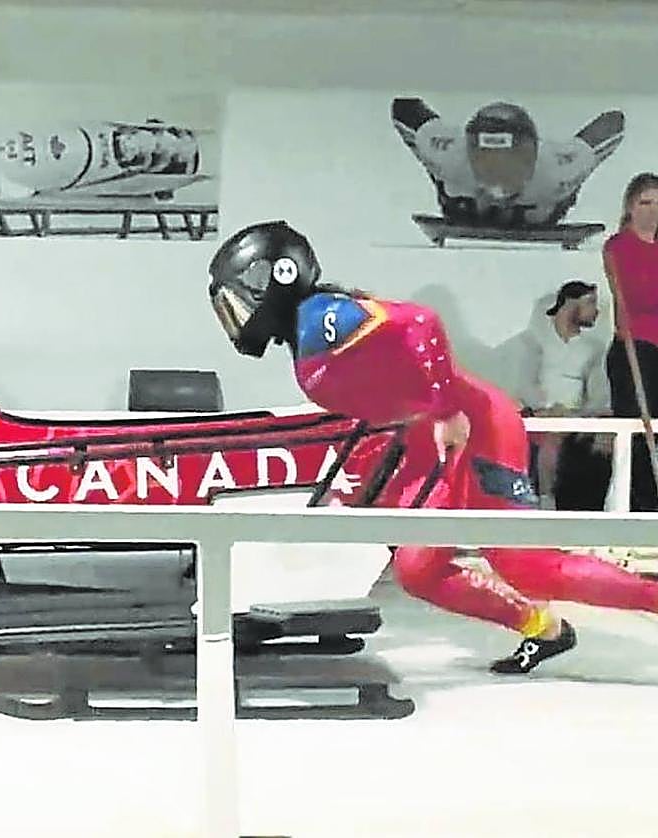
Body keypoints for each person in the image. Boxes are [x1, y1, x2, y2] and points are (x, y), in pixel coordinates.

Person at [207, 220, 658, 674]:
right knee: (419, 571)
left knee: (528, 566)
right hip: (434, 439)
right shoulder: (310, 333)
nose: (239, 312)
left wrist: (444, 410)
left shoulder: (327, 315)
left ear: (281, 274)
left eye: (245, 292)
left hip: (474, 426)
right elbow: (380, 396)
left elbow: (420, 322)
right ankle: (545, 629)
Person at [517, 280, 612, 510]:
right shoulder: (534, 340)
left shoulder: (594, 348)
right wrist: (544, 409)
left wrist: (575, 415)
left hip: (576, 417)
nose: (596, 311)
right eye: (590, 303)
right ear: (570, 304)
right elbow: (524, 383)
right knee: (549, 437)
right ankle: (545, 500)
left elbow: (599, 393)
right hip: (540, 415)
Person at [603, 172, 658, 512]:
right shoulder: (618, 246)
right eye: (645, 202)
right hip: (633, 349)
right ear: (630, 206)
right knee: (635, 432)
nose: (653, 210)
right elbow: (626, 296)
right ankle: (637, 508)